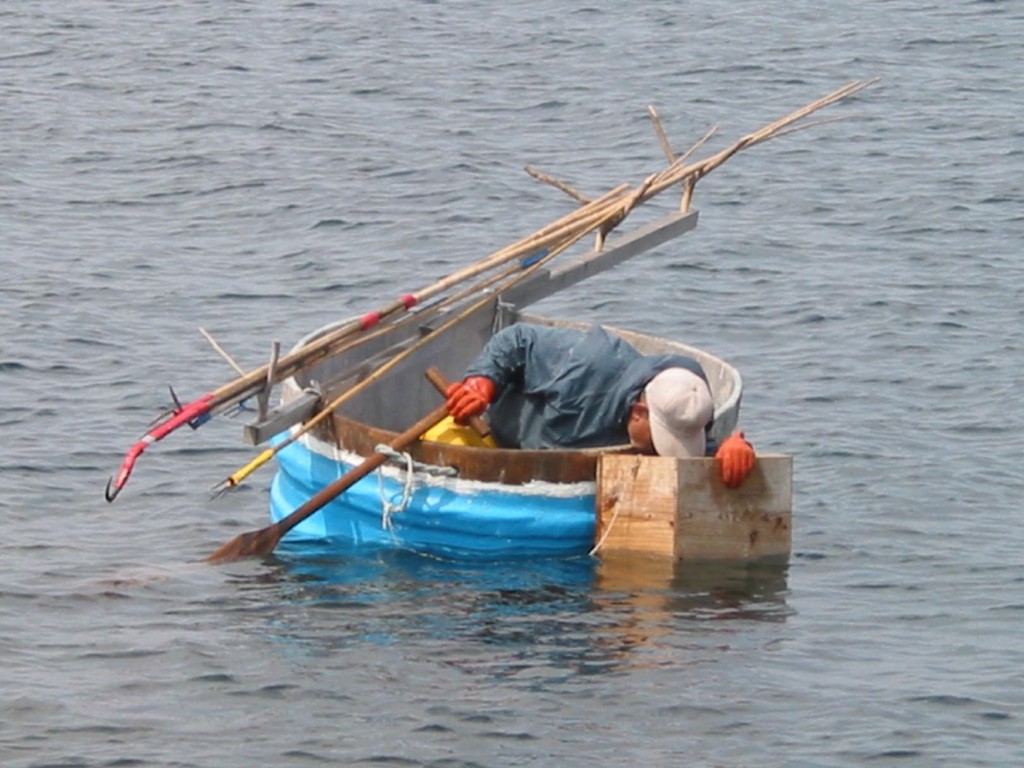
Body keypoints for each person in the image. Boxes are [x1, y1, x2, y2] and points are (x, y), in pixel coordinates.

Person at [444, 323, 756, 487]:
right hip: (497, 436)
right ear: (638, 413)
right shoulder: (586, 362)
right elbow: (517, 339)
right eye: (660, 441)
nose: (661, 452)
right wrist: (482, 384)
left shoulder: (686, 394)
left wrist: (730, 450)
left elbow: (698, 448)